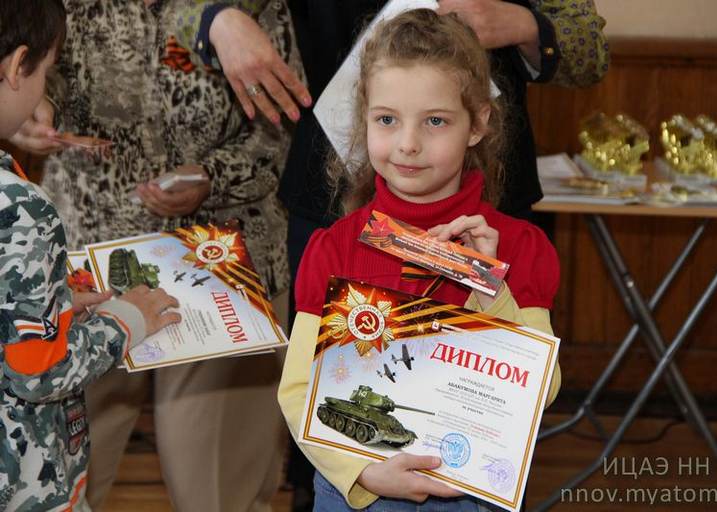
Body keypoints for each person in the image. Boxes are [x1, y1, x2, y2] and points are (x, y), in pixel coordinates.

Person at [9, 1, 302, 510]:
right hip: (88, 264)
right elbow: (28, 65)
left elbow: (284, 125)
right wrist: (32, 117)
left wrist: (214, 176)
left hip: (223, 265)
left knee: (215, 490)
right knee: (61, 479)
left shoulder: (252, 7)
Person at [277, 9, 561, 511]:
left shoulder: (517, 246)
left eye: (435, 121)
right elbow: (299, 390)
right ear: (362, 119)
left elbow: (544, 389)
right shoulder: (337, 247)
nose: (408, 144)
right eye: (387, 120)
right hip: (358, 490)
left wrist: (491, 289)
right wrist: (362, 470)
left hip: (470, 491)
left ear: (477, 123)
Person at [0, 2, 180, 509]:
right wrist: (125, 321)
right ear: (17, 67)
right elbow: (38, 373)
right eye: (47, 70)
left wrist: (48, 308)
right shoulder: (22, 209)